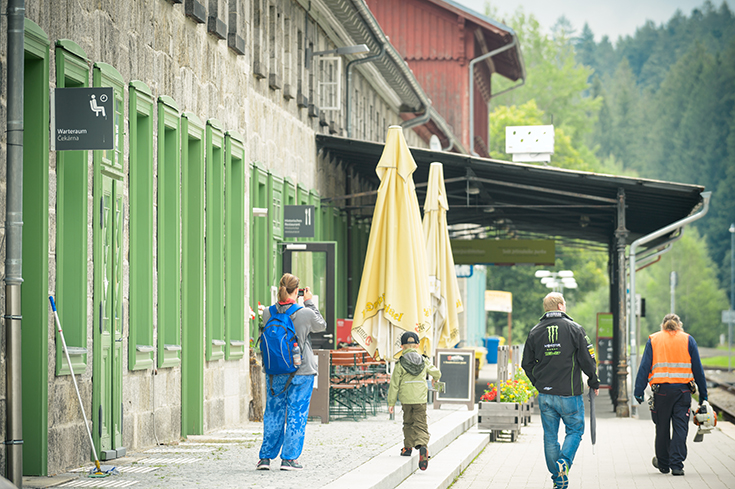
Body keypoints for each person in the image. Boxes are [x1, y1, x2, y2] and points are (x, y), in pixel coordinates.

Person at [521, 292, 599, 489]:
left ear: (546, 308)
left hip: (545, 394)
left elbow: (526, 364)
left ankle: (559, 479)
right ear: (561, 306)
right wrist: (593, 380)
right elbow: (587, 360)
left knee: (550, 436)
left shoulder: (535, 331)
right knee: (575, 430)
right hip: (569, 393)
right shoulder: (575, 329)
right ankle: (564, 463)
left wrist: (537, 382)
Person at [256, 273, 327, 471]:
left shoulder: (267, 313)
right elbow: (321, 325)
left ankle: (265, 458)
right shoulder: (305, 313)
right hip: (301, 370)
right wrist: (310, 302)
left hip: (276, 371)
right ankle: (289, 459)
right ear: (297, 291)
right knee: (297, 412)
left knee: (273, 412)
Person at [633, 313, 707, 477]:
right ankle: (677, 466)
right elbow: (698, 370)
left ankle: (664, 464)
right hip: (683, 393)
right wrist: (704, 396)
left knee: (662, 428)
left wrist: (638, 391)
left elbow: (644, 367)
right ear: (679, 325)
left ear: (663, 325)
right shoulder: (688, 340)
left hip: (662, 393)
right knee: (681, 428)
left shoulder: (654, 339)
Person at [387, 331, 442, 471]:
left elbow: (394, 385)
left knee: (408, 422)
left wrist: (391, 403)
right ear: (417, 345)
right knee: (421, 423)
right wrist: (435, 378)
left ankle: (407, 448)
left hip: (406, 398)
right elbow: (437, 372)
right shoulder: (424, 360)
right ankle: (422, 446)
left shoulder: (400, 363)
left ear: (402, 346)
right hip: (420, 398)